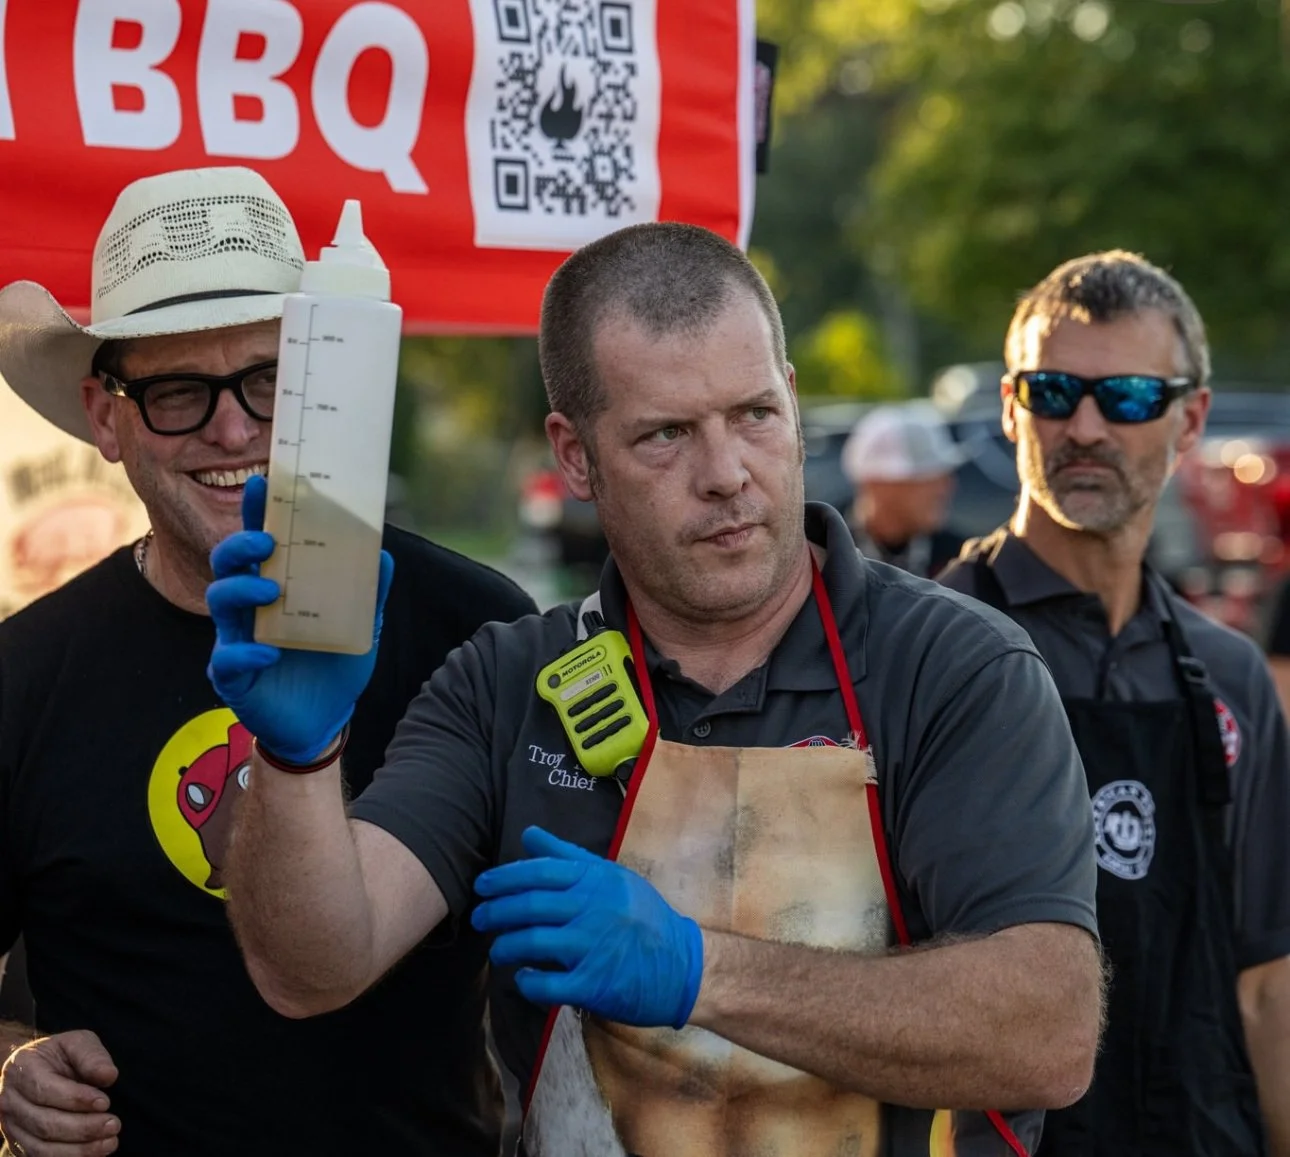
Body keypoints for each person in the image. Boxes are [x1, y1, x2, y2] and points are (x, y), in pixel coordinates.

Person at [206, 221, 1103, 1156]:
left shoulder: (956, 667)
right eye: (666, 434)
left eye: (754, 414)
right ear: (575, 454)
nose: (726, 476)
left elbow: (1048, 1032)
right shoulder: (508, 684)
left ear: (793, 402)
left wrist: (697, 969)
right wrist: (299, 758)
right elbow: (311, 967)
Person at [0, 166, 537, 1157]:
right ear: (105, 416)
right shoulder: (23, 673)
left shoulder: (474, 625)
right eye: (175, 392)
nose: (235, 426)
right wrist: (9, 1062)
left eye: (270, 380)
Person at [940, 250, 1290, 1156]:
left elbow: (1264, 983)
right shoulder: (929, 648)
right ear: (1014, 406)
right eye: (1054, 391)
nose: (1086, 425)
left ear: (1190, 419)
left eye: (1129, 396)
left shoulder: (1226, 674)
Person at [840, 401, 967, 577]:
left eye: (944, 477)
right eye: (926, 477)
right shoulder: (816, 551)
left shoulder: (961, 561)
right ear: (877, 484)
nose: (945, 489)